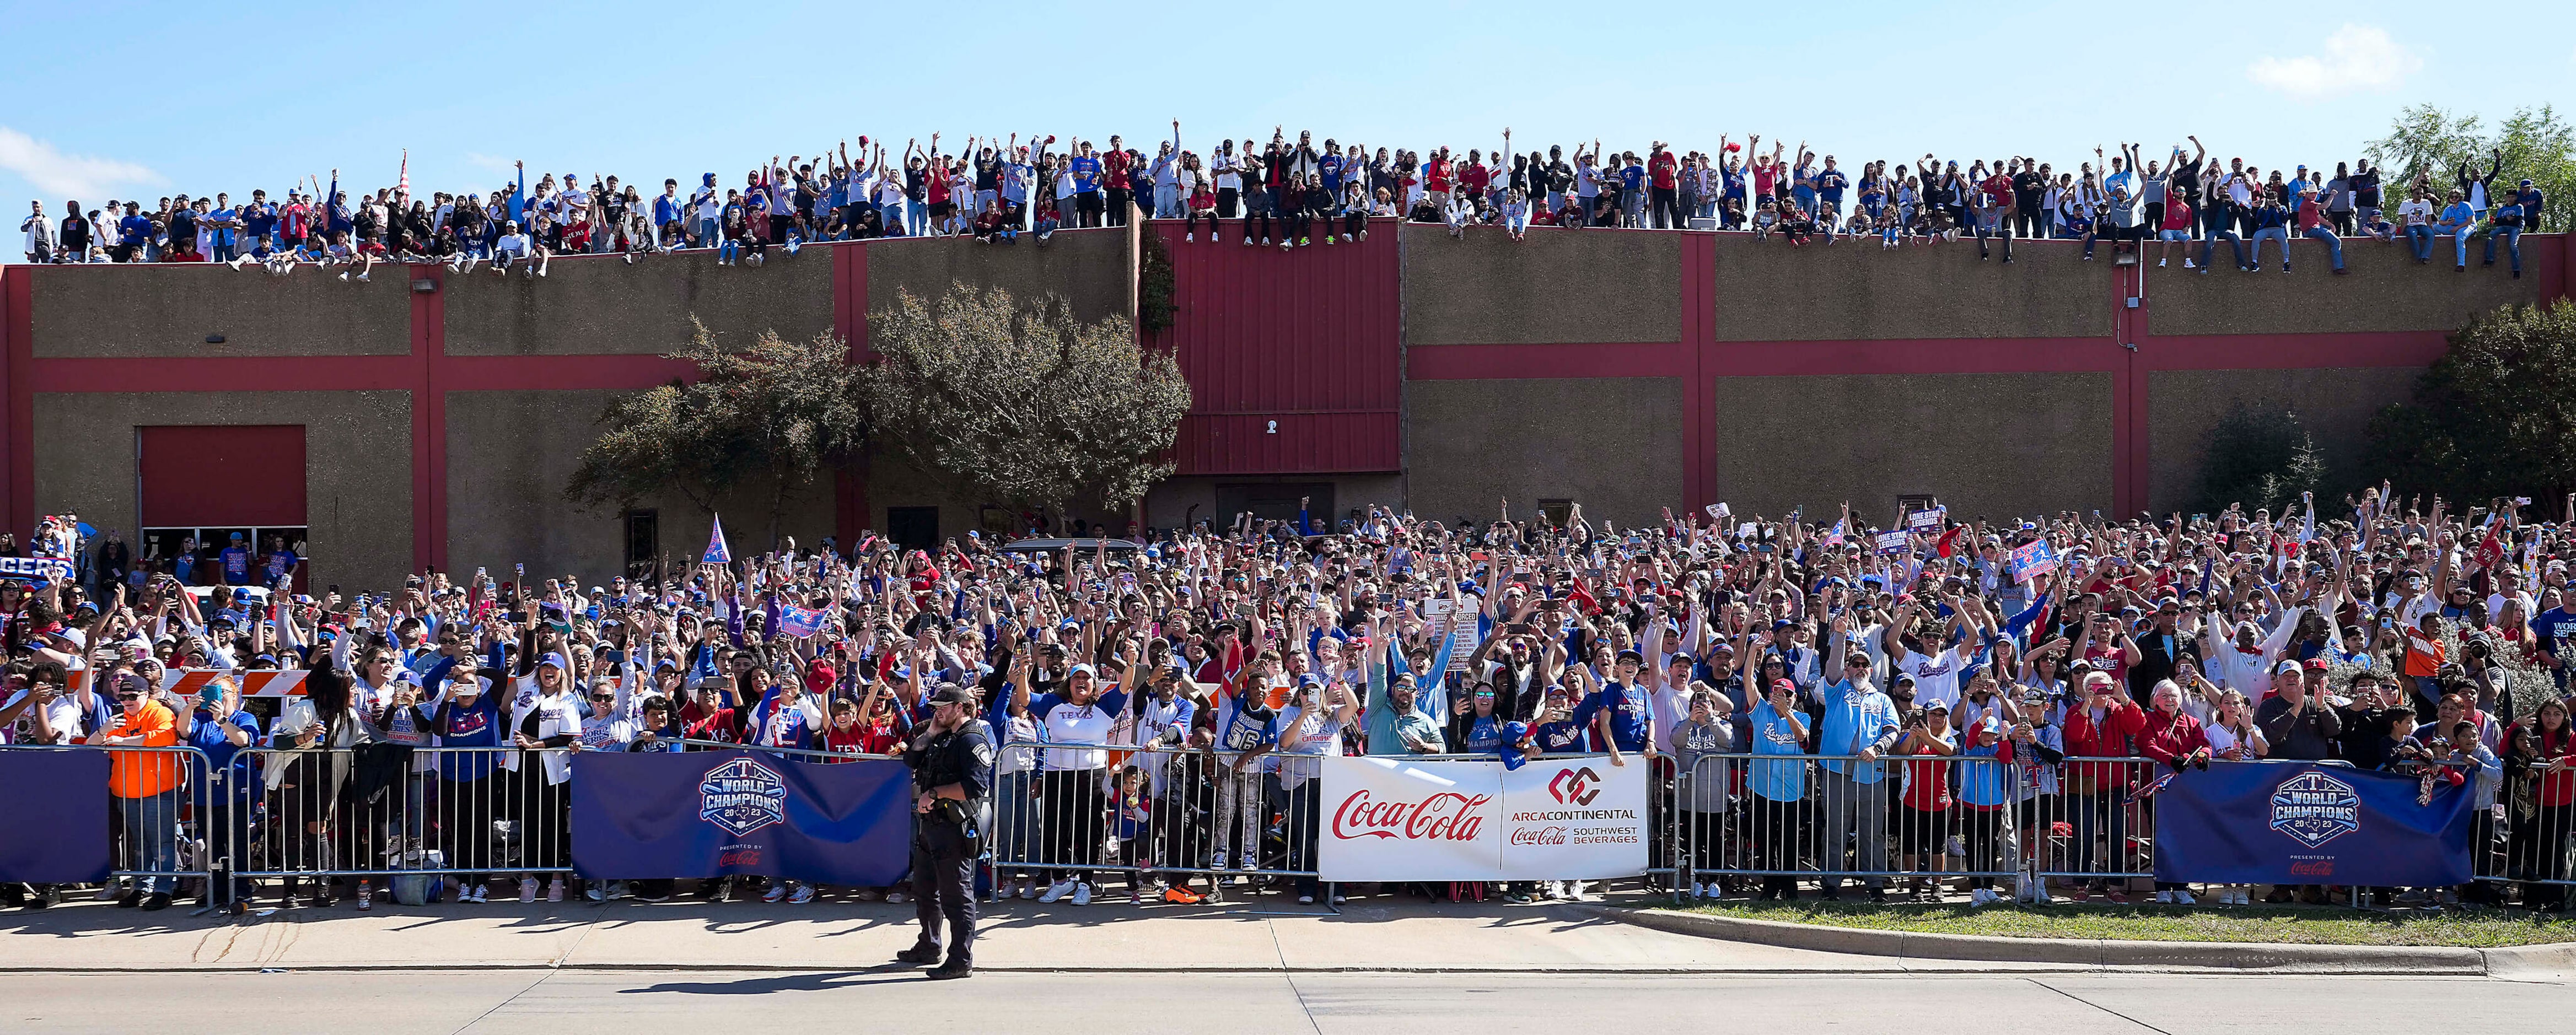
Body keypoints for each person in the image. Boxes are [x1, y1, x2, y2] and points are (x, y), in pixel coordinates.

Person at [895, 683, 992, 979]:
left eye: (943, 707)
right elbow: (910, 760)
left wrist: (935, 794)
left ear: (960, 707)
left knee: (956, 896)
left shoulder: (971, 739)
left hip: (954, 828)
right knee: (924, 889)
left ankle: (961, 960)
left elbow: (976, 787)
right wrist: (931, 732)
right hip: (932, 828)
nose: (937, 712)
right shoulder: (941, 735)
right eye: (935, 707)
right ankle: (929, 945)